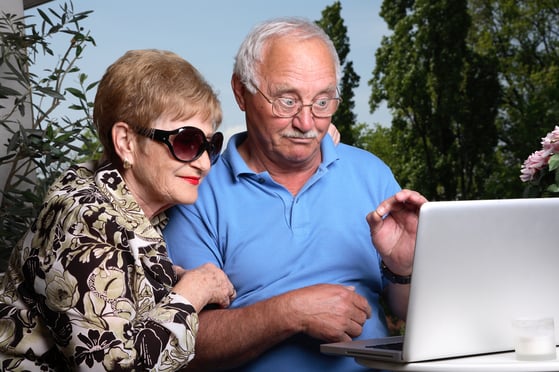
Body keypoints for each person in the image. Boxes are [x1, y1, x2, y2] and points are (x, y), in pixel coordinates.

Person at [164, 17, 428, 371]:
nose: (307, 124)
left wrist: (403, 270)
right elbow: (183, 345)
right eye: (287, 101)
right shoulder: (197, 191)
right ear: (241, 92)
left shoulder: (371, 173)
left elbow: (409, 310)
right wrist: (290, 313)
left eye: (322, 102)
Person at [0, 49, 236, 371]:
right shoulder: (83, 219)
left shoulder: (123, 204)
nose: (205, 162)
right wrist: (193, 291)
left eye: (210, 144)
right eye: (186, 142)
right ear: (126, 142)